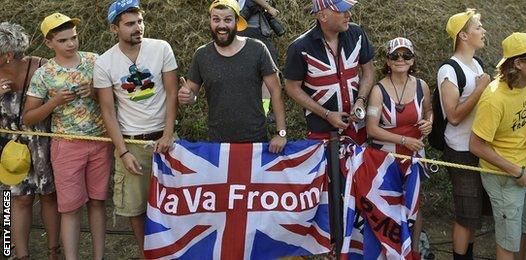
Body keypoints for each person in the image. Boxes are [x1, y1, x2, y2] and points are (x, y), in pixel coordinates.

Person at [22, 13, 112, 260]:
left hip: (100, 142)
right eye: (63, 40)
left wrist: (94, 92)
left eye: (73, 37)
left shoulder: (96, 61)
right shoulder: (44, 73)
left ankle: (99, 257)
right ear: (49, 43)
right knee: (70, 208)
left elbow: (115, 97)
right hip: (66, 146)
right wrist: (54, 101)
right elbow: (28, 117)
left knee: (97, 202)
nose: (71, 44)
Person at [94, 0, 178, 255]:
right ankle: (148, 254)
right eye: (129, 24)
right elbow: (107, 110)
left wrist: (168, 133)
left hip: (166, 142)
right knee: (135, 208)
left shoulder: (161, 48)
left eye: (139, 21)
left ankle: (173, 252)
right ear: (114, 28)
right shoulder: (105, 63)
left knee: (174, 204)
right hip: (132, 143)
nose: (137, 27)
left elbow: (172, 93)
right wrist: (123, 151)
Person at [469, 32, 526, 260]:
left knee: (524, 228)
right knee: (507, 240)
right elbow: (476, 145)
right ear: (519, 63)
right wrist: (516, 171)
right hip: (505, 176)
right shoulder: (494, 99)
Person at [177, 0, 287, 150]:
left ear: (237, 21)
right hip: (218, 143)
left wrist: (281, 133)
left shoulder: (257, 49)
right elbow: (192, 94)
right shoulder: (202, 55)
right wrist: (188, 97)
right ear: (210, 21)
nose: (221, 25)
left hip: (255, 141)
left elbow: (275, 91)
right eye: (216, 19)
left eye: (227, 20)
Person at [365, 37, 432, 258]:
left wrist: (428, 123)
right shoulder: (378, 90)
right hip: (385, 159)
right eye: (395, 56)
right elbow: (371, 129)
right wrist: (403, 141)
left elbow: (429, 111)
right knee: (387, 205)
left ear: (413, 61)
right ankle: (388, 251)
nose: (400, 59)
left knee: (414, 203)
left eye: (406, 55)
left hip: (414, 155)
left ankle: (412, 251)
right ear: (388, 61)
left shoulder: (421, 86)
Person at [0, 22, 60, 260]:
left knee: (49, 196)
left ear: (8, 55)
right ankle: (16, 252)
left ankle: (53, 251)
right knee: (16, 198)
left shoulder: (43, 67)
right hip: (8, 147)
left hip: (43, 143)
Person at [436, 9, 490, 259]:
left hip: (477, 148)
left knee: (474, 214)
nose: (483, 31)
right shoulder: (449, 70)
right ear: (464, 35)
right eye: (478, 27)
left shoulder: (476, 64)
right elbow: (454, 116)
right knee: (465, 215)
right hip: (460, 151)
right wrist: (480, 88)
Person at [283, 0, 375, 144]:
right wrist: (327, 114)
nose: (348, 14)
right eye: (341, 11)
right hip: (321, 132)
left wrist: (360, 100)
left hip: (357, 127)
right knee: (328, 167)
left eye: (349, 9)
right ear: (322, 16)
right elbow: (292, 87)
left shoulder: (357, 34)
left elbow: (368, 71)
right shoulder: (300, 47)